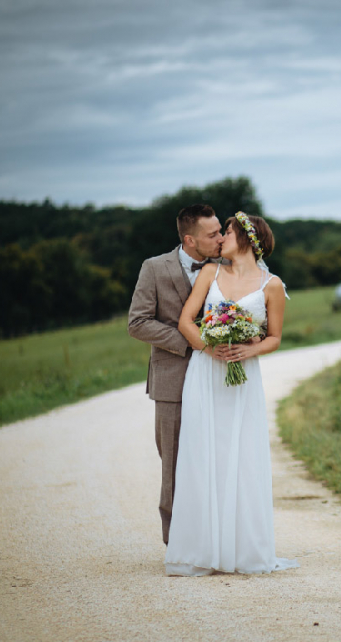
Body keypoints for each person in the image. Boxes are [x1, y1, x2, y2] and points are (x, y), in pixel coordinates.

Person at [164, 211, 298, 576]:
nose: (222, 236)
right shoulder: (210, 273)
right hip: (206, 374)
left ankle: (242, 550)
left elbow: (273, 337)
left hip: (243, 381)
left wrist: (247, 350)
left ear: (249, 239)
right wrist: (211, 348)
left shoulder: (272, 285)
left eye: (229, 231)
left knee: (242, 456)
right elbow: (185, 321)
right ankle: (203, 549)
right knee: (203, 453)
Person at [127, 204, 229, 545]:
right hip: (172, 381)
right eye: (212, 234)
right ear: (189, 239)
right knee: (172, 463)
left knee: (217, 459)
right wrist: (192, 341)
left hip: (218, 378)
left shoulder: (228, 267)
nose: (221, 238)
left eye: (220, 231)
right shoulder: (154, 268)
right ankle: (177, 546)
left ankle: (216, 539)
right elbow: (137, 323)